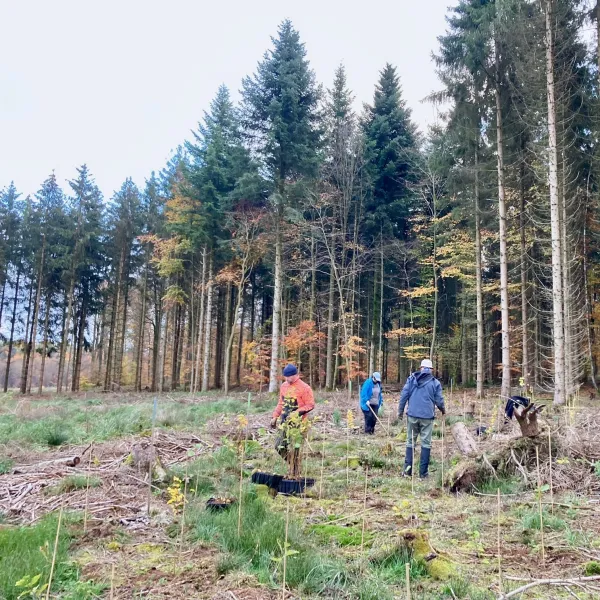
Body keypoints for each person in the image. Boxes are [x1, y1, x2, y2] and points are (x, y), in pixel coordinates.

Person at [398, 358, 445, 478]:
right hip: (427, 417)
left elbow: (404, 395)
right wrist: (443, 410)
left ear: (421, 368)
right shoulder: (435, 383)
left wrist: (400, 411)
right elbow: (439, 400)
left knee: (410, 441)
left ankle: (407, 472)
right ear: (431, 370)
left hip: (412, 415)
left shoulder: (411, 379)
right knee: (426, 443)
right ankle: (423, 474)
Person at [270, 364, 315, 459]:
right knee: (279, 446)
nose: (286, 379)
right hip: (284, 422)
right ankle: (292, 465)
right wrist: (275, 416)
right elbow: (281, 403)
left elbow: (310, 405)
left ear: (295, 375)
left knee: (296, 448)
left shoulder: (304, 388)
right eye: (285, 376)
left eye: (288, 376)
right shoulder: (284, 386)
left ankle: (295, 470)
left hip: (299, 424)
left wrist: (295, 414)